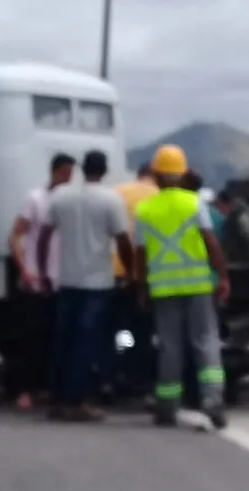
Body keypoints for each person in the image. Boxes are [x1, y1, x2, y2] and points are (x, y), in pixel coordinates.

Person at [135, 144, 230, 429]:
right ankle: (213, 401)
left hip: (164, 289)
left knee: (170, 347)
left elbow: (140, 255)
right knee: (205, 342)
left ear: (157, 175)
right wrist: (223, 276)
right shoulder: (194, 203)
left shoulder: (145, 209)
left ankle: (167, 407)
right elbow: (211, 243)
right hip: (198, 286)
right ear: (183, 173)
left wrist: (141, 288)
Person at [37, 150, 134, 422]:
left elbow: (44, 236)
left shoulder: (62, 197)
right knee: (87, 343)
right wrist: (130, 271)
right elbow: (123, 241)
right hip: (97, 283)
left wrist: (45, 271)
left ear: (82, 169)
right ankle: (77, 401)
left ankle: (57, 399)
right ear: (104, 170)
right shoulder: (110, 200)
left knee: (63, 340)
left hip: (67, 280)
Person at [6, 152, 75, 410]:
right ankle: (24, 390)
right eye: (64, 174)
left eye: (70, 176)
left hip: (61, 279)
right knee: (30, 338)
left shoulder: (69, 202)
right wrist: (23, 267)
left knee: (54, 337)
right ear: (54, 172)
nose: (67, 180)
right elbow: (15, 236)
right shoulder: (35, 199)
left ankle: (47, 388)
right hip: (36, 277)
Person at [106, 163, 161, 399]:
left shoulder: (116, 192)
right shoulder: (159, 197)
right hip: (144, 275)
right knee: (142, 331)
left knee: (113, 330)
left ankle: (111, 377)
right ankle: (138, 380)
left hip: (111, 272)